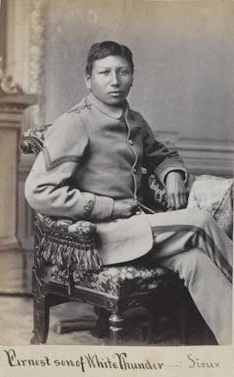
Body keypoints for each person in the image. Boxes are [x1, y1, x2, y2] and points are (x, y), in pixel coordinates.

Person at [25, 41, 233, 345]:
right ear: (89, 80)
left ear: (132, 77)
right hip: (99, 238)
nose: (114, 80)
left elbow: (163, 156)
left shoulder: (133, 120)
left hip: (139, 231)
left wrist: (173, 175)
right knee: (198, 221)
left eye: (122, 72)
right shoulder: (74, 123)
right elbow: (38, 191)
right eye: (105, 72)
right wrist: (106, 207)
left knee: (195, 261)